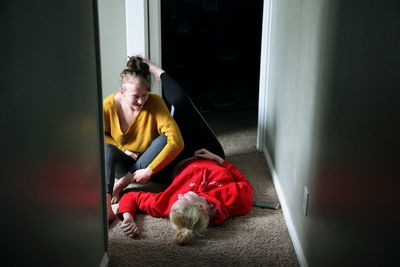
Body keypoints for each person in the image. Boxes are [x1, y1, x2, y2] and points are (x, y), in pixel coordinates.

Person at [103, 56, 184, 221]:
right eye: (135, 96)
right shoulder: (108, 105)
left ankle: (122, 184)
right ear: (122, 92)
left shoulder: (155, 102)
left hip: (150, 165)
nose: (141, 101)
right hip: (125, 163)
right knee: (106, 149)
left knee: (163, 140)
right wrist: (122, 148)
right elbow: (99, 135)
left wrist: (150, 169)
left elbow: (177, 142)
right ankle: (105, 206)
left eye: (145, 95)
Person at [117, 148, 254, 245]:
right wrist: (219, 160)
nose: (180, 195)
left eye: (179, 198)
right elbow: (244, 182)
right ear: (201, 208)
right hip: (210, 152)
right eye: (183, 199)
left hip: (173, 161)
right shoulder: (235, 200)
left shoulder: (165, 205)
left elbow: (131, 197)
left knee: (166, 135)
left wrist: (128, 217)